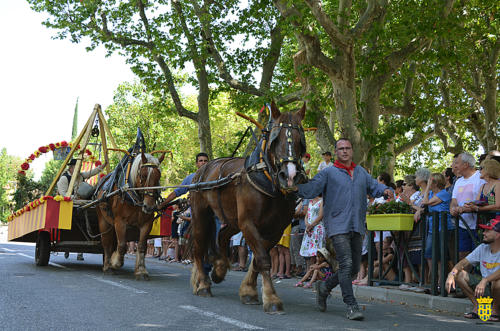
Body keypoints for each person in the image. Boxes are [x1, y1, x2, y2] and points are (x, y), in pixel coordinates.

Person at [293, 138, 392, 321]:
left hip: (357, 225)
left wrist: (385, 190)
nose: (345, 151)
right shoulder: (328, 172)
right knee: (346, 264)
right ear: (336, 152)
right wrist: (293, 186)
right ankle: (351, 305)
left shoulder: (361, 172)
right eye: (341, 149)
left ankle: (324, 287)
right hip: (337, 225)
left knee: (353, 268)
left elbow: (374, 187)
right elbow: (312, 188)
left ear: (352, 151)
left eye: (347, 148)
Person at [445, 216, 500, 322]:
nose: (483, 233)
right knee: (459, 274)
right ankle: (479, 307)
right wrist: (451, 274)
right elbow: (462, 263)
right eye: (484, 230)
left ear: (497, 235)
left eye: (487, 231)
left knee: (497, 281)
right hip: (486, 288)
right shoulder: (482, 248)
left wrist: (485, 280)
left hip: (495, 287)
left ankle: (495, 311)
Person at [58, 158, 106, 261]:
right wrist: (74, 197)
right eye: (77, 166)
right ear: (71, 168)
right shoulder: (64, 178)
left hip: (83, 202)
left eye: (80, 167)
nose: (79, 168)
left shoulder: (80, 176)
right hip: (70, 203)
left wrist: (103, 166)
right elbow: (63, 194)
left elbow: (92, 172)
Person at [450, 153, 486, 260]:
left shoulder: (480, 177)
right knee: (463, 255)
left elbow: (484, 199)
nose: (454, 166)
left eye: (457, 163)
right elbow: (454, 200)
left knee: (479, 256)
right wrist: (453, 209)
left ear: (465, 165)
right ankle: (464, 277)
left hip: (479, 225)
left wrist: (468, 208)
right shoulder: (458, 181)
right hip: (462, 225)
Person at [299, 195, 325, 271]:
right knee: (309, 251)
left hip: (317, 228)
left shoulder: (322, 200)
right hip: (309, 229)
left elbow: (320, 216)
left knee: (316, 252)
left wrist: (311, 225)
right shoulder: (310, 201)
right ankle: (309, 271)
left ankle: (316, 272)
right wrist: (307, 225)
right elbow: (306, 215)